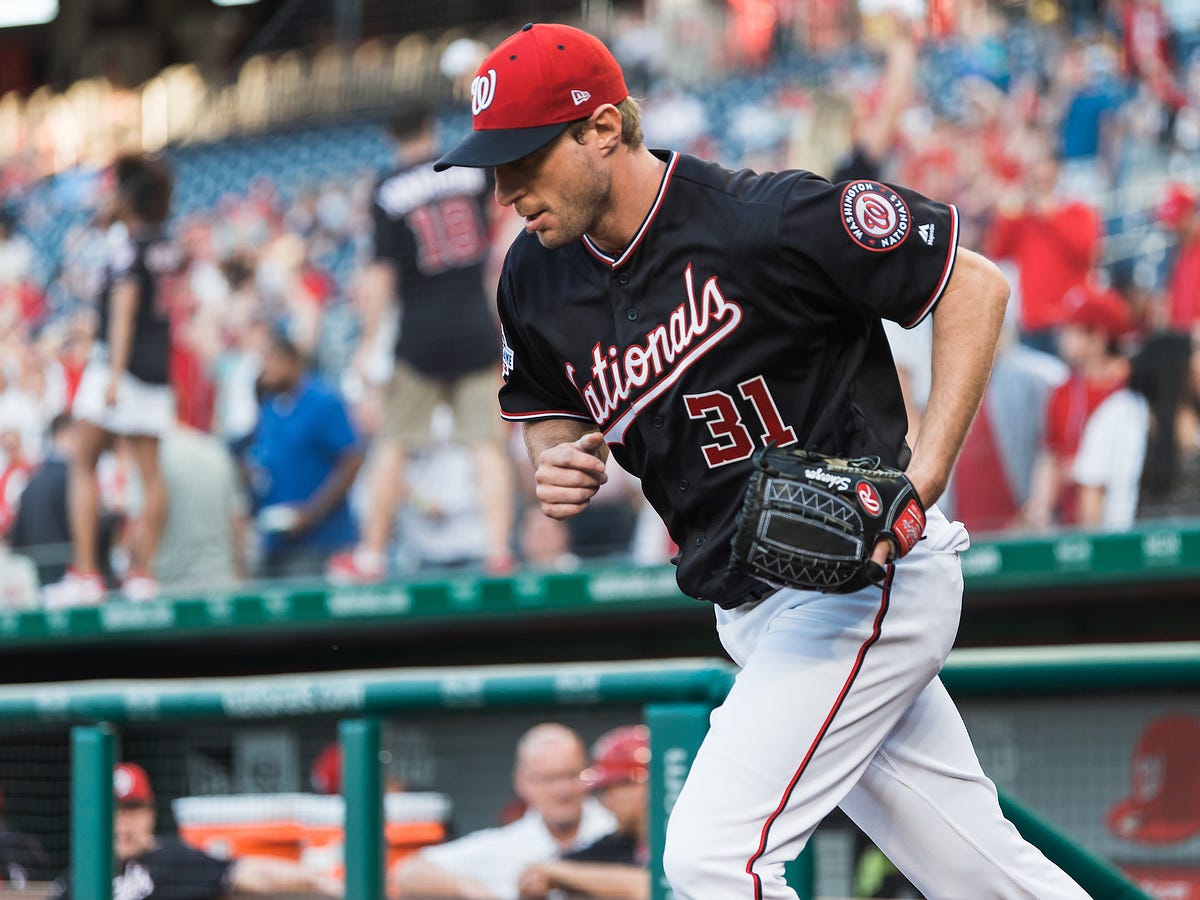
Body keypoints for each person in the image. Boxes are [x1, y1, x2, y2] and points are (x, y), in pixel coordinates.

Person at [433, 23, 1091, 898]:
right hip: (746, 608)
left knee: (709, 858)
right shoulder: (535, 275)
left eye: (524, 158)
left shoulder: (760, 217)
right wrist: (555, 456)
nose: (505, 188)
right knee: (978, 873)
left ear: (601, 129)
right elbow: (546, 410)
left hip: (860, 581)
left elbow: (972, 283)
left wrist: (924, 477)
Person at [327, 98, 516, 583]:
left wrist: (368, 344)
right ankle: (498, 551)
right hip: (474, 324)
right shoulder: (470, 170)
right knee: (486, 445)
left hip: (420, 332)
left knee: (395, 444)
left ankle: (370, 555)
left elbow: (383, 280)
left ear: (390, 135)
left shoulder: (388, 189)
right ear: (431, 126)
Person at [58, 154, 182, 604]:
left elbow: (124, 314)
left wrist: (111, 376)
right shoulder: (165, 243)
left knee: (83, 463)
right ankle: (141, 574)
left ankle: (87, 573)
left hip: (122, 369)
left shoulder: (128, 247)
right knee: (152, 476)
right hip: (156, 372)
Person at [389, 722, 615, 900]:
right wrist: (479, 893)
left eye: (571, 775)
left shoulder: (617, 831)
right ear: (522, 782)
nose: (561, 789)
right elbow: (406, 874)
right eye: (547, 779)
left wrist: (556, 875)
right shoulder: (506, 844)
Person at [50, 762, 339, 899]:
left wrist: (325, 884)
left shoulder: (174, 860)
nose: (123, 824)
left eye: (132, 811)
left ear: (150, 814)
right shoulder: (80, 877)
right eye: (114, 813)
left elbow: (248, 871)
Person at [243, 330, 364, 579]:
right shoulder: (270, 405)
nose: (266, 369)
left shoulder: (322, 400)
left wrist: (313, 512)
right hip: (275, 542)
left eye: (272, 360)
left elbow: (352, 459)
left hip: (320, 543)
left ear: (292, 362)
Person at [1022, 283, 1131, 529]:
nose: (1062, 337)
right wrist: (1040, 511)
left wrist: (1079, 468)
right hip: (1070, 523)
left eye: (1071, 330)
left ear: (1098, 337)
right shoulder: (1062, 391)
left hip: (1120, 518)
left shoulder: (1131, 386)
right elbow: (1050, 457)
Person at [986, 131, 1103, 354]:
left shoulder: (1077, 208)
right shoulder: (1022, 214)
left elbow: (1086, 252)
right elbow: (998, 251)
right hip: (1031, 321)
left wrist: (1051, 215)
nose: (1036, 173)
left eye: (1041, 164)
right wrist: (1007, 214)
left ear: (1056, 168)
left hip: (1068, 321)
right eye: (1031, 166)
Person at [1073, 330, 1200, 528]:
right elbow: (1092, 495)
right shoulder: (1118, 414)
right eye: (1195, 354)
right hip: (1132, 547)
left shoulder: (1194, 414)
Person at [517, 724, 651, 900]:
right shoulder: (620, 843)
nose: (606, 803)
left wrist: (556, 872)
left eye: (610, 790)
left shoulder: (685, 836)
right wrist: (545, 874)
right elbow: (565, 864)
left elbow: (649, 888)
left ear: (640, 786)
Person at [155, 422, 247, 592]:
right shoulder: (217, 451)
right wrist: (242, 571)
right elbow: (237, 523)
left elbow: (138, 528)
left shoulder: (153, 454)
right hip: (221, 584)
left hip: (169, 589)